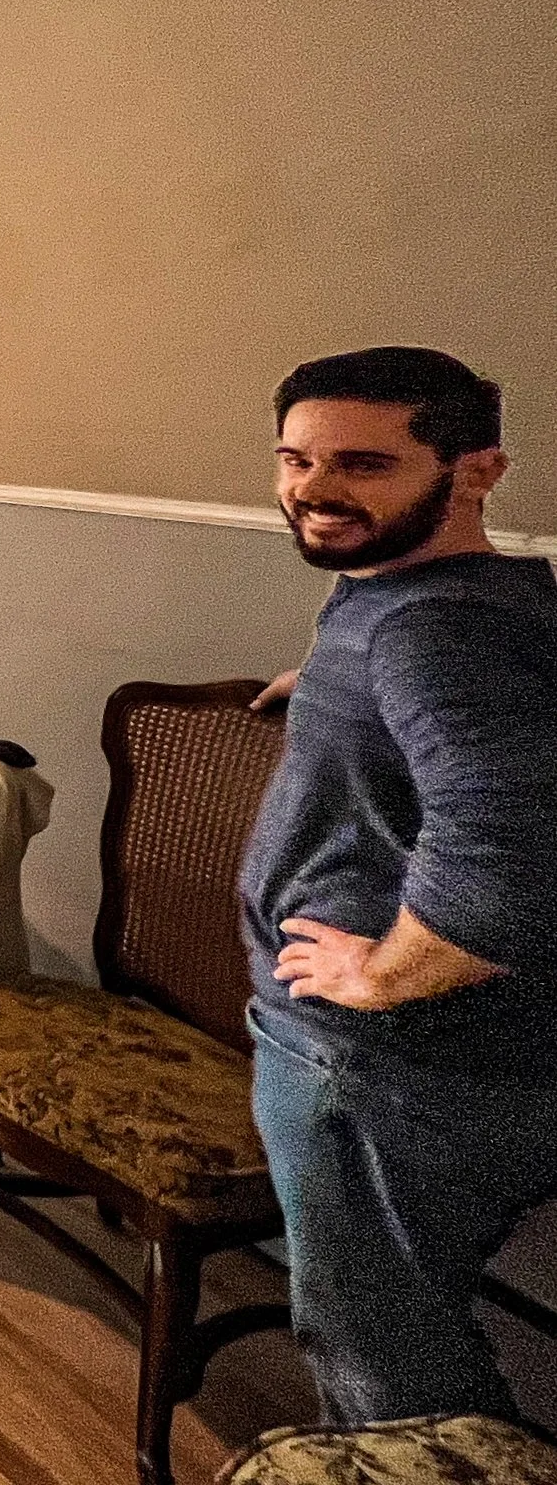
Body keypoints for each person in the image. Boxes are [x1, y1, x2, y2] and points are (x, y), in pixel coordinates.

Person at [241, 345, 557, 1427]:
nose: (313, 489)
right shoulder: (416, 599)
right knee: (380, 1325)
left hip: (377, 1067)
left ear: (477, 471)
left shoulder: (433, 629)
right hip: (389, 1064)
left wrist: (380, 976)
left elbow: (507, 853)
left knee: (385, 1358)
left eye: (362, 464)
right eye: (293, 458)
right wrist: (329, 682)